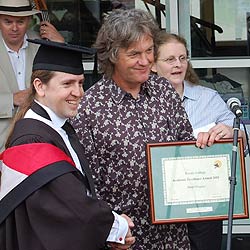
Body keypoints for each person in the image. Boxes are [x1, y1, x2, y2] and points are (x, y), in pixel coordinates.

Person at [72, 9, 214, 249]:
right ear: (113, 56)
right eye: (135, 54)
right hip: (125, 238)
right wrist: (108, 230)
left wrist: (206, 146)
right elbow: (86, 183)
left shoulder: (164, 91)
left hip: (173, 236)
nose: (146, 60)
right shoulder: (90, 107)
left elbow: (185, 148)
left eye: (149, 51)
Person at [0, 39, 135, 250]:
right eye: (67, 84)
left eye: (80, 83)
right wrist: (116, 226)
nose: (79, 92)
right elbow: (68, 206)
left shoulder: (59, 128)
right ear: (39, 86)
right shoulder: (30, 140)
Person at [151, 31, 247, 250]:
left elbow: (242, 141)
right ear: (153, 65)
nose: (178, 65)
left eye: (182, 58)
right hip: (159, 204)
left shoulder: (207, 97)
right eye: (170, 59)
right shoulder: (142, 101)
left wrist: (230, 133)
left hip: (204, 203)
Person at [0, 0, 65, 152]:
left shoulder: (42, 44)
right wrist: (11, 100)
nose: (14, 28)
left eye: (20, 21)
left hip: (39, 140)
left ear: (29, 20)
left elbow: (65, 84)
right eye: (7, 21)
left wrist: (60, 45)